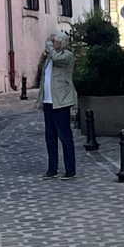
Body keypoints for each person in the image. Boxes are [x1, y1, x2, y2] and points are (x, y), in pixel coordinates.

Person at [39, 32, 76, 179]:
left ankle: (70, 169)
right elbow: (44, 79)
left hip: (61, 102)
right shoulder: (50, 58)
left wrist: (51, 50)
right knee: (50, 136)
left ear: (61, 43)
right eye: (51, 41)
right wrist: (40, 100)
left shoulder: (66, 56)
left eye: (53, 41)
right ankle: (52, 169)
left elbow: (57, 59)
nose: (51, 43)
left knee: (65, 136)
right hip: (49, 102)